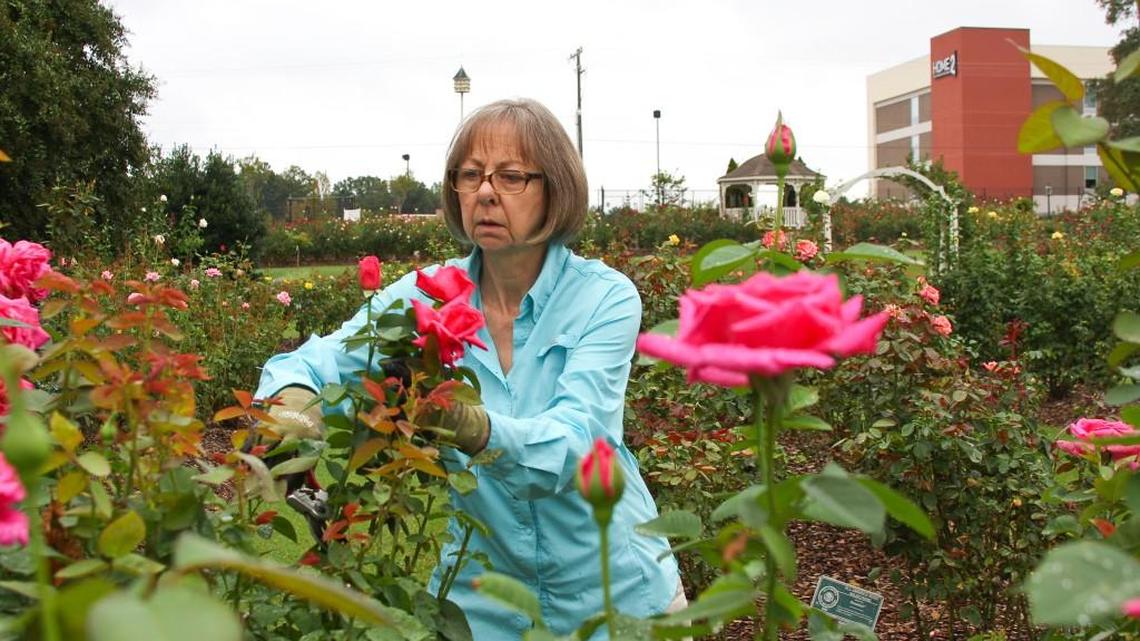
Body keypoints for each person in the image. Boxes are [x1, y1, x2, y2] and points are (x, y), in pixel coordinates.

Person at [254, 98, 684, 639]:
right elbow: (312, 360)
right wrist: (291, 410)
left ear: (556, 188)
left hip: (612, 595)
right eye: (470, 175)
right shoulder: (429, 294)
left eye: (511, 177)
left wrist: (471, 426)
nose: (485, 192)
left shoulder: (604, 298)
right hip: (484, 604)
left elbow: (577, 445)